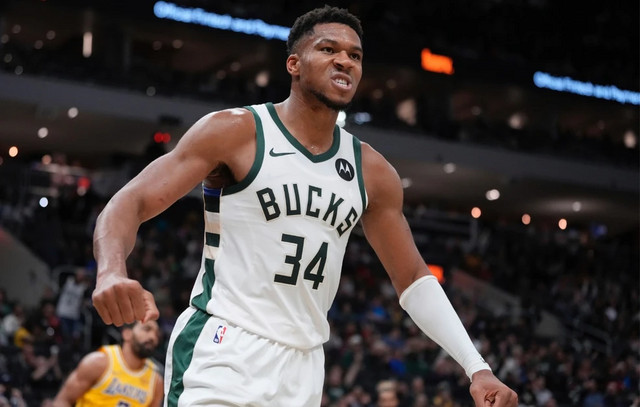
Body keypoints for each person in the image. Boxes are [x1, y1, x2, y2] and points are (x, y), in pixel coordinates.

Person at [91, 5, 518, 406]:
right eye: (328, 49)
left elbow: (413, 279)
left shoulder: (373, 172)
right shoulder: (236, 131)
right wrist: (111, 270)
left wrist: (477, 368)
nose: (344, 61)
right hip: (224, 346)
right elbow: (132, 200)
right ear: (294, 64)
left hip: (304, 366)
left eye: (355, 55)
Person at [52, 320, 163, 407]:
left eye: (157, 334)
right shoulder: (98, 362)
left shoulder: (156, 381)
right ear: (127, 334)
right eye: (147, 329)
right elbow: (62, 401)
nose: (153, 337)